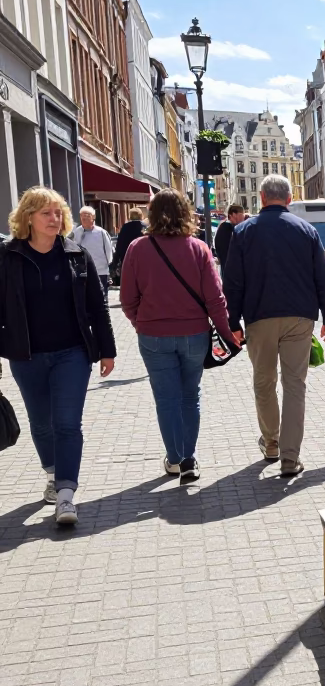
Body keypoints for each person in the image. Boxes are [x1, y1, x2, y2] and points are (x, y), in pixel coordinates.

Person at [0, 187, 116, 525]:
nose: (54, 219)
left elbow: (97, 306)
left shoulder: (76, 254)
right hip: (26, 355)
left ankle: (66, 495)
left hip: (72, 353)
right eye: (46, 213)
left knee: (66, 423)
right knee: (41, 423)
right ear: (28, 218)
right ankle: (52, 474)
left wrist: (107, 350)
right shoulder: (8, 257)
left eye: (58, 213)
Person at [223, 175, 325, 477]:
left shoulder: (243, 231)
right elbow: (323, 278)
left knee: (264, 382)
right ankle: (290, 457)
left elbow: (232, 282)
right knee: (295, 386)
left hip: (259, 317)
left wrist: (232, 322)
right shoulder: (306, 230)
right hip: (300, 318)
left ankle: (271, 442)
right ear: (289, 199)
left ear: (261, 197)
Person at [120, 189, 236, 483]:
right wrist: (226, 333)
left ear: (151, 215)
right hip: (194, 333)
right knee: (189, 396)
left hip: (153, 335)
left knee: (166, 398)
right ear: (186, 213)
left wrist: (140, 322)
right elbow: (215, 299)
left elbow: (127, 298)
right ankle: (188, 459)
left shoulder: (137, 248)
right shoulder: (198, 248)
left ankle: (174, 458)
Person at [70, 206, 114, 301]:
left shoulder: (101, 232)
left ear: (93, 217)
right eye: (82, 216)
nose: (84, 218)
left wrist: (107, 266)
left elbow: (108, 250)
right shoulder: (77, 232)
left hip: (100, 270)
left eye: (87, 215)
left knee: (102, 297)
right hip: (83, 271)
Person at [112, 206, 146, 280]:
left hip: (127, 256)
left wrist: (116, 260)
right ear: (141, 215)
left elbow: (120, 244)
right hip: (143, 257)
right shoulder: (145, 227)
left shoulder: (125, 227)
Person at [215, 203, 243, 272]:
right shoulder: (226, 228)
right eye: (241, 214)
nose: (243, 217)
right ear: (233, 214)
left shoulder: (226, 227)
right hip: (230, 268)